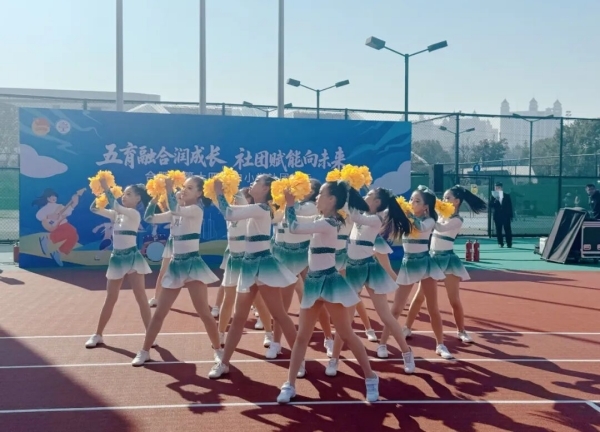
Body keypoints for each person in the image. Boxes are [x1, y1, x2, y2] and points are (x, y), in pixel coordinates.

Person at [276, 181, 379, 404]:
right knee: (302, 336)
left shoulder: (329, 222)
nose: (316, 197)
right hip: (313, 282)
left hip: (330, 282)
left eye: (321, 194)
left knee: (346, 333)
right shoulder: (320, 220)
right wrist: (287, 207)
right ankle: (290, 384)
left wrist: (290, 204)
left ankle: (371, 377)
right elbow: (293, 224)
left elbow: (294, 227)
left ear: (332, 199)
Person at [131, 176, 222, 366]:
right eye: (184, 187)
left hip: (192, 265)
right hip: (175, 266)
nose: (184, 190)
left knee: (204, 313)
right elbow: (149, 218)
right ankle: (145, 350)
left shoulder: (196, 210)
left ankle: (218, 350)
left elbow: (175, 208)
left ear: (199, 193)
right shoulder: (176, 212)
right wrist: (154, 200)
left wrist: (169, 189)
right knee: (159, 313)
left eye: (190, 188)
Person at [85, 182, 153, 349]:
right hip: (116, 258)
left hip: (133, 258)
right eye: (124, 194)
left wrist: (107, 188)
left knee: (141, 297)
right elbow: (93, 208)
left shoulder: (133, 214)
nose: (124, 196)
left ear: (138, 198)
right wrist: (101, 193)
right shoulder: (116, 214)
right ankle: (98, 334)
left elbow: (115, 205)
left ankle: (151, 335)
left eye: (129, 194)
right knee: (111, 297)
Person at [490, 182, 513, 248]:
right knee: (498, 230)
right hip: (497, 216)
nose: (497, 189)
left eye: (498, 187)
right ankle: (500, 243)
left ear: (501, 188)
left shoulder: (507, 196)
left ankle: (509, 243)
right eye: (496, 188)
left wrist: (511, 215)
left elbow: (510, 206)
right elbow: (490, 205)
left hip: (506, 216)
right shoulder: (493, 196)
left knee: (507, 230)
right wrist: (495, 200)